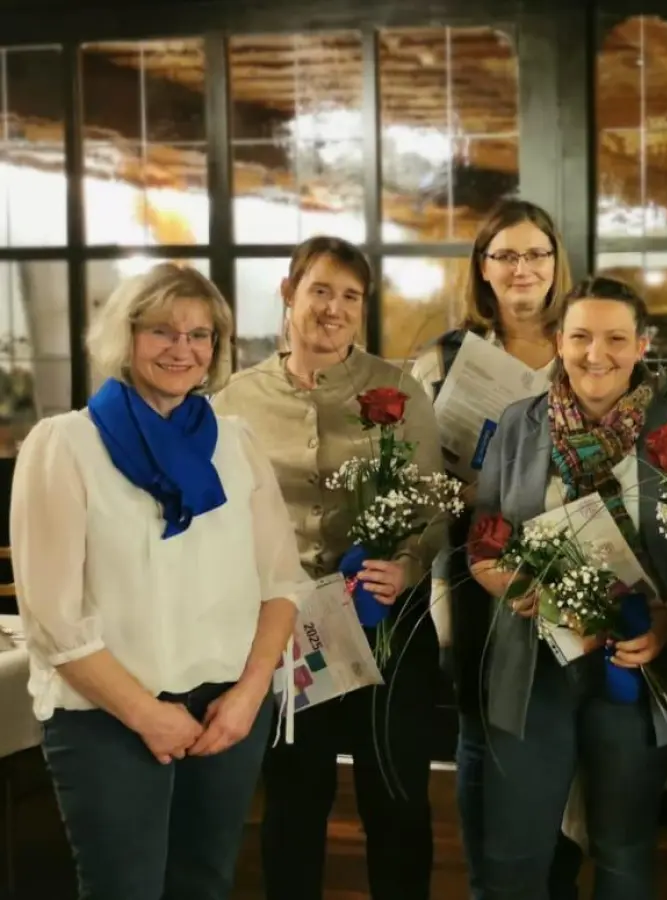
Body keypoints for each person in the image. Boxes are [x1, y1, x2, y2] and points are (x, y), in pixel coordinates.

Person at [11, 263, 310, 899]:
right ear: (126, 337)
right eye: (163, 332)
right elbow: (51, 618)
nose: (183, 349)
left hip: (228, 712)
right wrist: (148, 714)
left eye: (200, 335)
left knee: (205, 885)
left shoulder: (238, 442)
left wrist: (250, 696)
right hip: (107, 717)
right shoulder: (63, 444)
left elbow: (282, 583)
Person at [211, 236, 447, 900]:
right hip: (283, 633)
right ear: (289, 292)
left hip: (386, 629)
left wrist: (405, 567)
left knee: (396, 800)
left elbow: (433, 507)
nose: (335, 308)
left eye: (351, 296)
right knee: (293, 800)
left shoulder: (397, 390)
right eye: (321, 290)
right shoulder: (235, 398)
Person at [468, 275, 667, 900]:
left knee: (624, 851)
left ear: (642, 345)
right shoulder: (519, 423)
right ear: (558, 342)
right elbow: (482, 543)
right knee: (515, 851)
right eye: (580, 337)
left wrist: (663, 623)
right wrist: (512, 587)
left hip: (634, 665)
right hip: (534, 662)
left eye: (616, 338)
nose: (597, 354)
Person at [408, 198, 584, 899]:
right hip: (475, 565)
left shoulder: (582, 345)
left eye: (535, 253)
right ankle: (494, 883)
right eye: (505, 255)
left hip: (573, 564)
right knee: (485, 724)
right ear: (483, 268)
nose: (522, 268)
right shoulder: (445, 356)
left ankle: (558, 878)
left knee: (561, 724)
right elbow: (418, 470)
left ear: (555, 262)